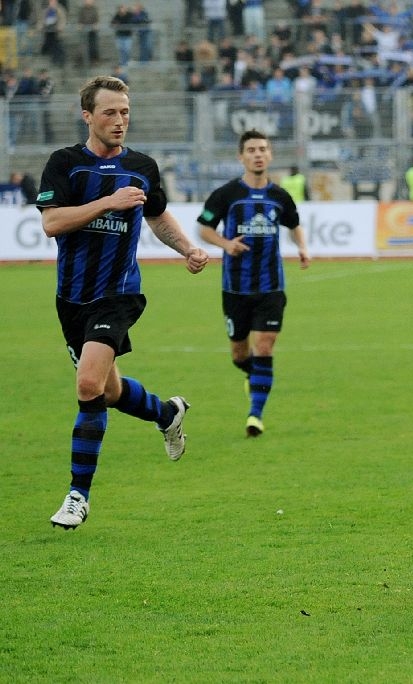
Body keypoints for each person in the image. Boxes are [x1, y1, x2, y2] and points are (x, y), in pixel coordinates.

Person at [38, 75, 210, 530]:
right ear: (88, 116)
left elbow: (156, 214)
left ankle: (78, 495)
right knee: (109, 390)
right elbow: (53, 223)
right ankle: (166, 412)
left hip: (118, 294)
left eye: (126, 112)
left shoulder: (142, 167)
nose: (120, 120)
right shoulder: (65, 164)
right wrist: (108, 203)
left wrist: (188, 249)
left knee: (88, 387)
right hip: (71, 297)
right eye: (110, 112)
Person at [197, 130, 311, 438]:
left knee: (264, 346)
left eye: (263, 149)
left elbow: (294, 224)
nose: (258, 154)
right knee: (239, 354)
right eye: (251, 149)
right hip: (235, 288)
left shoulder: (280, 196)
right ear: (241, 156)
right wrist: (225, 244)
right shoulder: (226, 195)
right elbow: (203, 228)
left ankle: (254, 416)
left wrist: (301, 247)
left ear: (270, 155)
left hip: (271, 287)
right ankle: (256, 378)